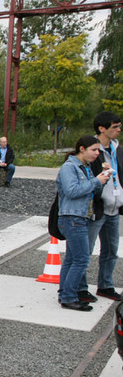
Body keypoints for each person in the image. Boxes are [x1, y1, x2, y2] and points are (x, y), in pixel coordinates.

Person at [56, 135, 110, 311]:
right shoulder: (70, 167)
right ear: (82, 149)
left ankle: (65, 293)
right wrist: (95, 181)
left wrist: (103, 179)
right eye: (94, 150)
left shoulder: (84, 167)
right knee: (81, 259)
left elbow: (90, 191)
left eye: (98, 150)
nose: (97, 154)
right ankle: (69, 297)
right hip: (73, 218)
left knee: (72, 259)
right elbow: (72, 191)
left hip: (80, 217)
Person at [78, 111, 123, 303]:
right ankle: (80, 288)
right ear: (102, 129)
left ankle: (105, 285)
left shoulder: (117, 148)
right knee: (85, 251)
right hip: (97, 208)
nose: (119, 130)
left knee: (111, 251)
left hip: (114, 208)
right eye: (115, 127)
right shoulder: (91, 150)